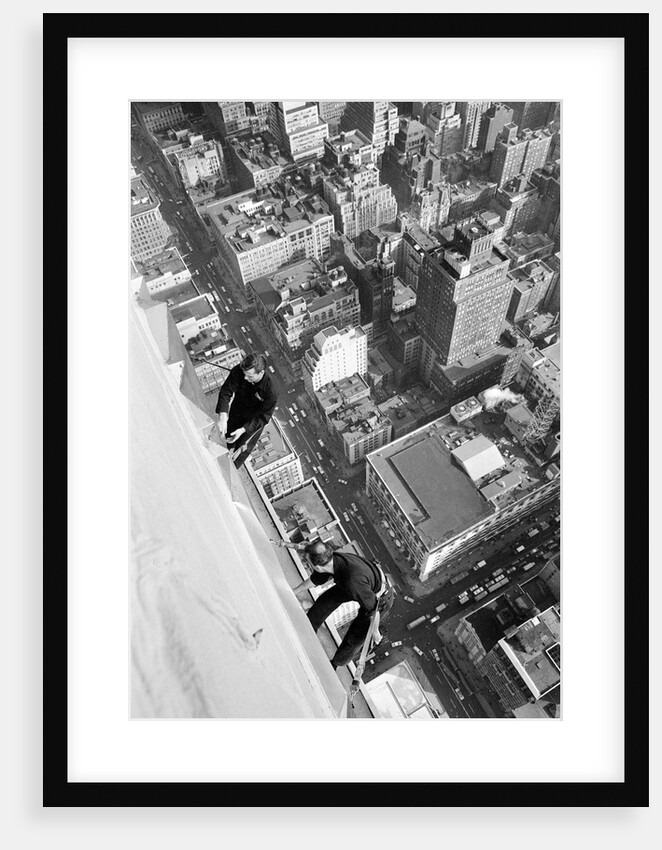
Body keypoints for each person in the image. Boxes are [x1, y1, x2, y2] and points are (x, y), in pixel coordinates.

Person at [283, 540, 395, 669]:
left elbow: (373, 609)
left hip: (380, 599)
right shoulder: (331, 560)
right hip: (364, 583)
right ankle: (308, 628)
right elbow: (316, 579)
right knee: (326, 600)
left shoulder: (352, 582)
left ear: (318, 567)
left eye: (309, 562)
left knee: (355, 636)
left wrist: (375, 633)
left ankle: (335, 664)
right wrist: (293, 591)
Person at [215, 353, 278, 468]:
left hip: (252, 423)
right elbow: (226, 391)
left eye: (250, 376)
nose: (245, 378)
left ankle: (231, 469)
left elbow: (263, 418)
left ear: (261, 373)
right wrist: (223, 416)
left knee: (240, 451)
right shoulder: (241, 370)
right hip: (237, 410)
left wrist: (243, 430)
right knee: (223, 437)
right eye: (244, 375)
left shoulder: (271, 391)